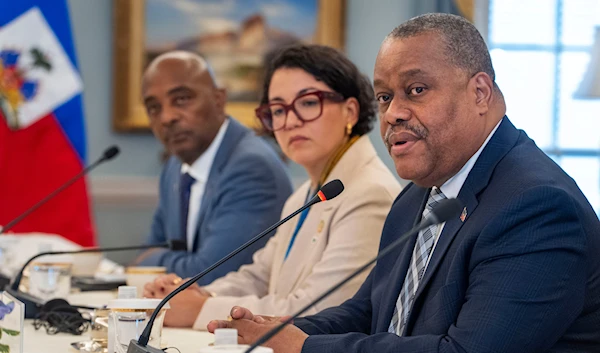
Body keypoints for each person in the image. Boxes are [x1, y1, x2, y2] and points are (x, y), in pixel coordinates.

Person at [207, 13, 600, 353]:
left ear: (480, 92)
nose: (392, 113)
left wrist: (304, 347)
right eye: (383, 96)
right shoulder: (418, 197)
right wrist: (279, 331)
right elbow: (368, 312)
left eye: (416, 90)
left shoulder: (537, 206)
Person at [143, 44, 401, 329]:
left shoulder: (369, 194)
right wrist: (197, 293)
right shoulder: (304, 195)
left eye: (308, 103)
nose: (290, 121)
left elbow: (320, 309)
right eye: (278, 109)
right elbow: (259, 275)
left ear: (350, 111)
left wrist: (202, 309)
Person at [135, 51, 293, 283]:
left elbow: (210, 274)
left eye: (181, 99)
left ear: (219, 100)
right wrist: (148, 261)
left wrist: (150, 261)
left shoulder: (251, 168)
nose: (166, 117)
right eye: (154, 107)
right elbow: (147, 255)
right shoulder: (174, 167)